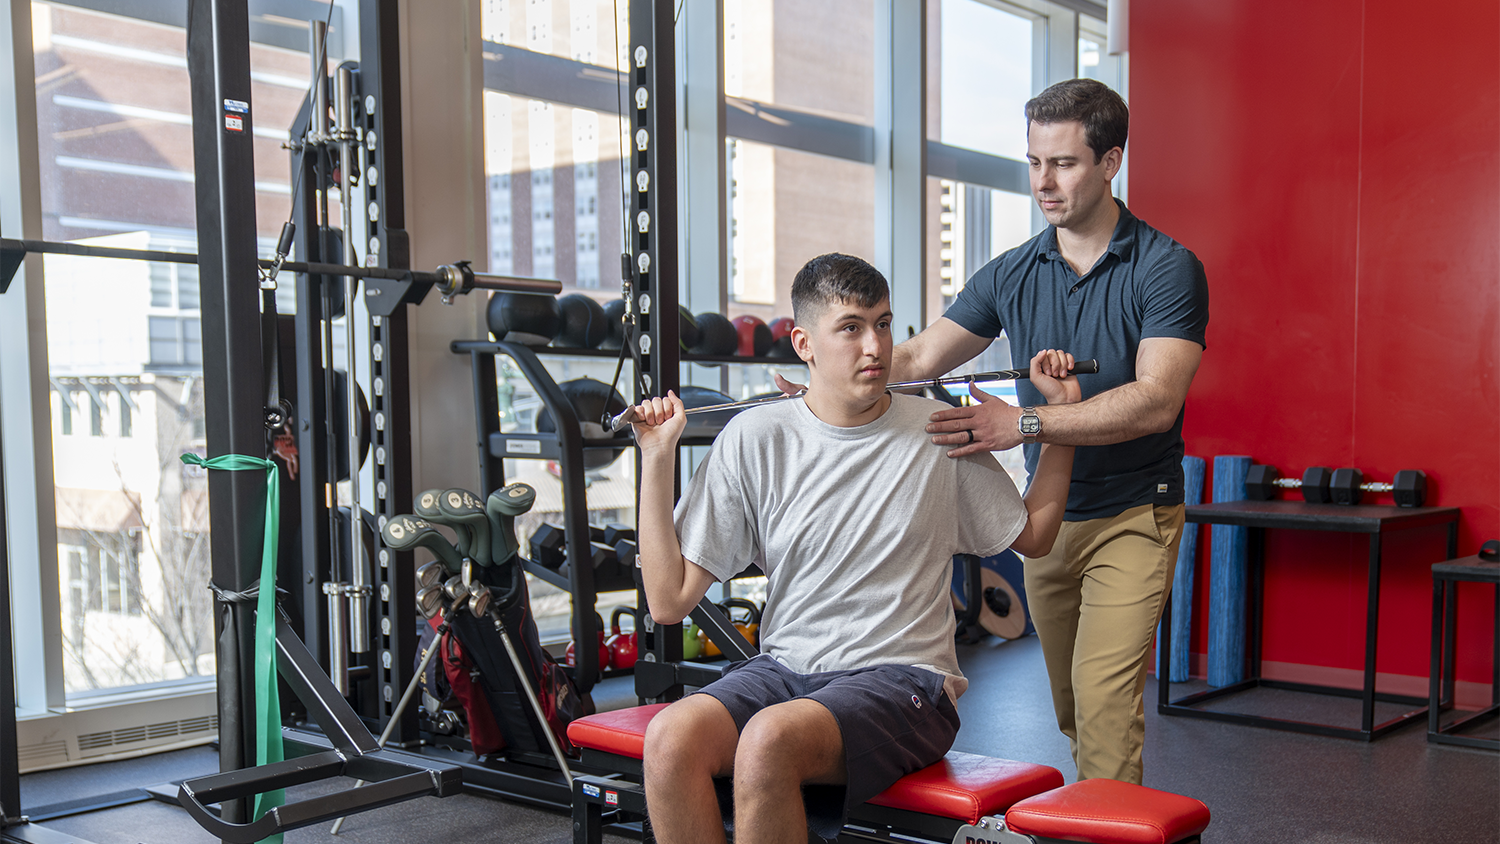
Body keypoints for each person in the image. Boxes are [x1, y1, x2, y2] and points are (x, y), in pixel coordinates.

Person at [629, 253, 1080, 844]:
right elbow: (668, 601)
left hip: (906, 680)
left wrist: (1058, 421)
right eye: (851, 328)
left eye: (884, 324)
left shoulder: (936, 429)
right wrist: (657, 458)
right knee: (670, 738)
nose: (876, 346)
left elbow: (1034, 536)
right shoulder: (755, 437)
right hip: (788, 668)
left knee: (768, 741)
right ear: (803, 343)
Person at [883, 78, 1210, 784]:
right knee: (1070, 705)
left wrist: (1024, 421)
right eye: (1034, 162)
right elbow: (915, 358)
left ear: (1110, 161)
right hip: (1048, 519)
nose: (1043, 181)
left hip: (1135, 509)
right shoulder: (1013, 272)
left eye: (1062, 163)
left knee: (1102, 704)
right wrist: (836, 362)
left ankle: (1107, 833)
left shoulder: (1166, 268)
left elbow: (1155, 401)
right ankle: (1102, 814)